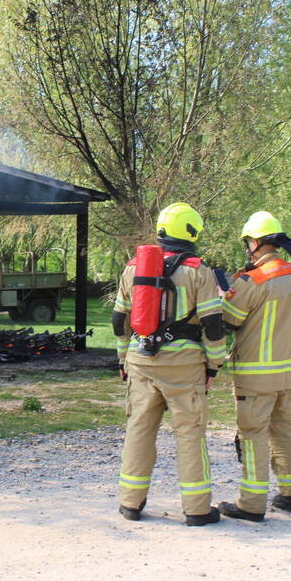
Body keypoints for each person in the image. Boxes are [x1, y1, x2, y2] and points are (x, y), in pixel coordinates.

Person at [112, 203, 228, 526]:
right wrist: (214, 364)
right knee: (190, 434)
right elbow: (214, 324)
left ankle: (130, 503)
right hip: (184, 366)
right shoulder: (198, 271)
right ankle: (196, 510)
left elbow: (118, 320)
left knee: (139, 430)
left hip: (140, 361)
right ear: (191, 232)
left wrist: (123, 358)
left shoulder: (134, 267)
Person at [218, 211, 291, 522]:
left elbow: (229, 319)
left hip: (255, 374)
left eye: (248, 243)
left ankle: (251, 504)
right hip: (285, 371)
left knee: (253, 434)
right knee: (284, 430)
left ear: (255, 242)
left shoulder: (252, 279)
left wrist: (224, 294)